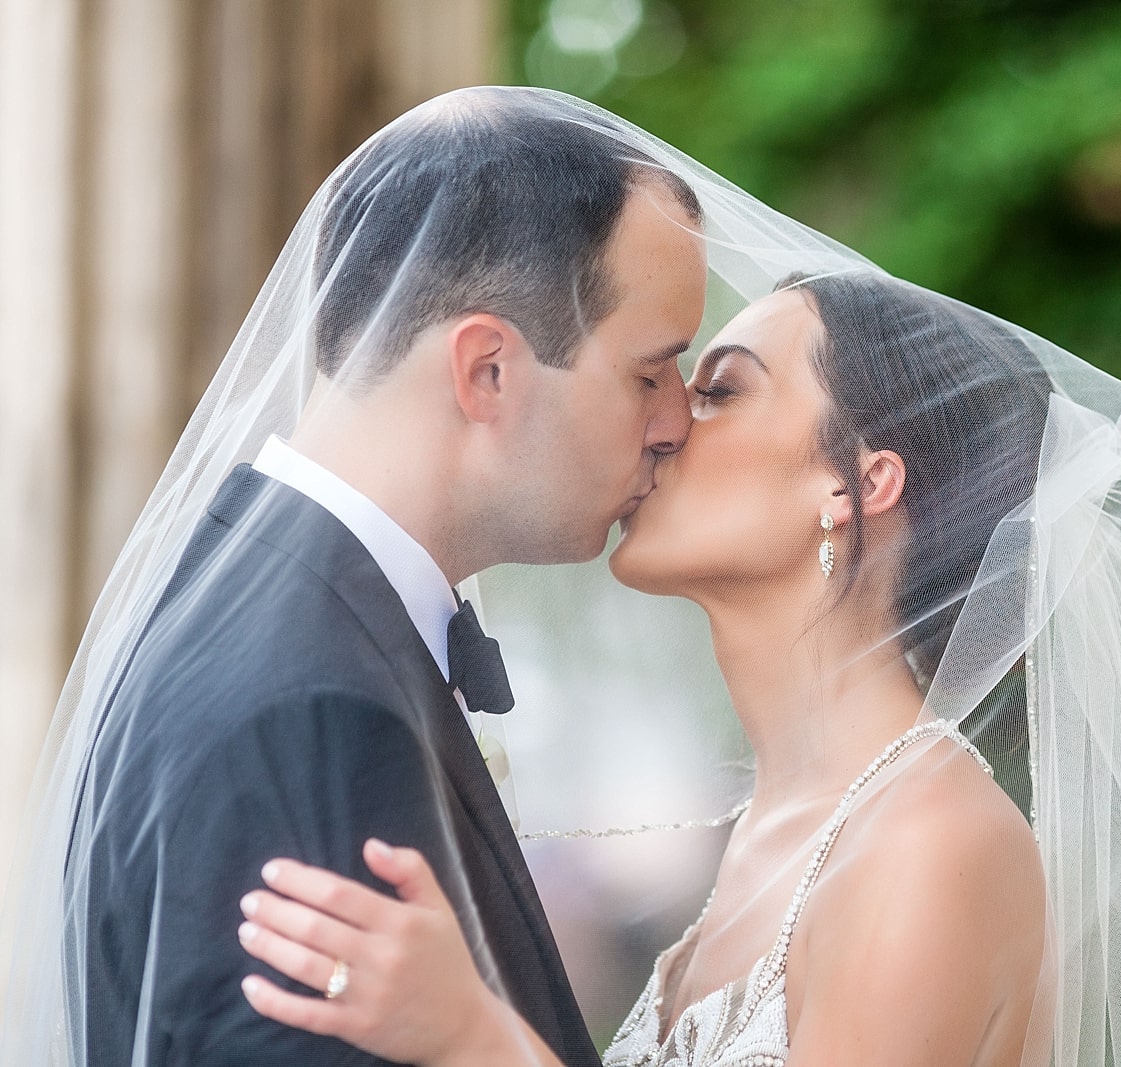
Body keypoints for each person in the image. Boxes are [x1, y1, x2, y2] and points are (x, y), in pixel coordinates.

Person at [234, 269, 1121, 1066]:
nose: (661, 423)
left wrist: (471, 1036)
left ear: (854, 482)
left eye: (719, 389)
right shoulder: (765, 828)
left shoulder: (935, 842)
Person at [0, 88, 708, 1067]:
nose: (676, 420)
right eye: (649, 371)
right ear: (487, 372)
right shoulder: (314, 709)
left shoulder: (263, 597)